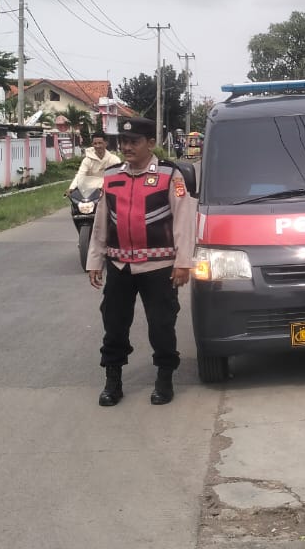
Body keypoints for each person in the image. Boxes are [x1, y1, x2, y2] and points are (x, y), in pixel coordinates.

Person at [85, 117, 197, 407]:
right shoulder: (112, 176)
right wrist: (94, 261)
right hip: (119, 266)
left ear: (151, 143)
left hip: (158, 268)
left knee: (161, 325)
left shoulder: (169, 175)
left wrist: (183, 262)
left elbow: (184, 220)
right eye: (123, 142)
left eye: (133, 142)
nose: (127, 147)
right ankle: (113, 382)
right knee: (114, 325)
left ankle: (164, 379)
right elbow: (101, 223)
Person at [65, 130, 121, 197]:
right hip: (90, 193)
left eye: (100, 143)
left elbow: (118, 178)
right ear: (92, 144)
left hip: (108, 192)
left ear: (106, 143)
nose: (97, 146)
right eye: (95, 143)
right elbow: (80, 174)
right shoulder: (87, 160)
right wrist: (72, 187)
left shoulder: (114, 160)